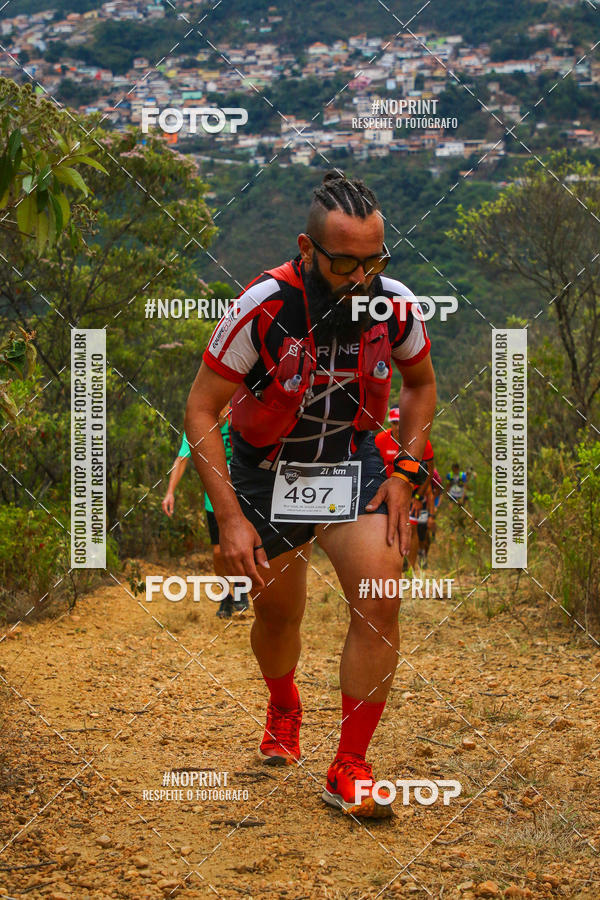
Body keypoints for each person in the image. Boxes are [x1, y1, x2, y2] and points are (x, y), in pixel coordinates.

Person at [184, 171, 436, 817]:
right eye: (344, 261)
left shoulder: (395, 303)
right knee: (277, 615)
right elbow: (202, 409)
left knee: (380, 602)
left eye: (373, 260)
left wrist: (406, 472)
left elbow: (420, 385)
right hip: (267, 473)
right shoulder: (261, 305)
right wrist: (231, 519)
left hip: (349, 466)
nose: (360, 277)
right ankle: (283, 702)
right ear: (307, 248)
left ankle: (349, 766)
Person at [161, 407, 248, 617]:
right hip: (216, 495)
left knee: (243, 545)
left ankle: (242, 588)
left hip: (245, 491)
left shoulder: (241, 417)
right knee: (219, 552)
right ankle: (227, 595)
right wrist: (170, 492)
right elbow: (182, 459)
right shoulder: (200, 424)